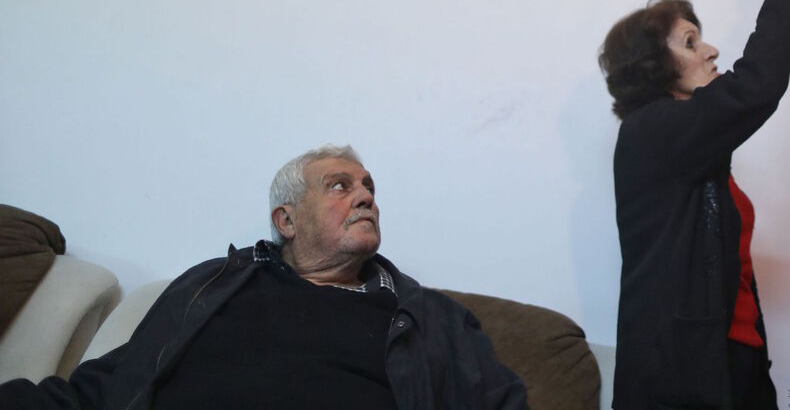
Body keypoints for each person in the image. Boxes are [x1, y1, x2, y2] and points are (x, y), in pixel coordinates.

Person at [0, 144, 528, 410]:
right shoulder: (215, 288)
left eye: (367, 187)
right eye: (340, 186)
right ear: (287, 220)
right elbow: (113, 385)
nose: (366, 196)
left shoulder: (429, 319)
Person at [599, 0, 790, 409]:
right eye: (690, 43)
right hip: (683, 381)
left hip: (735, 367)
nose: (711, 51)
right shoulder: (650, 134)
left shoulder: (695, 150)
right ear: (653, 67)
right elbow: (757, 86)